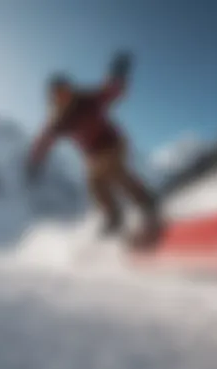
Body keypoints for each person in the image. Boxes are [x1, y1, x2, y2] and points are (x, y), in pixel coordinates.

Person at [26, 51, 161, 245]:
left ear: (71, 90)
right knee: (95, 183)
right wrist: (35, 162)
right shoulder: (59, 120)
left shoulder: (87, 99)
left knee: (114, 172)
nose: (65, 96)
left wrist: (118, 75)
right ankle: (114, 218)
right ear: (54, 98)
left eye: (66, 90)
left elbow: (110, 92)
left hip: (112, 143)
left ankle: (147, 203)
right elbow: (44, 140)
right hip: (93, 154)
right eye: (59, 94)